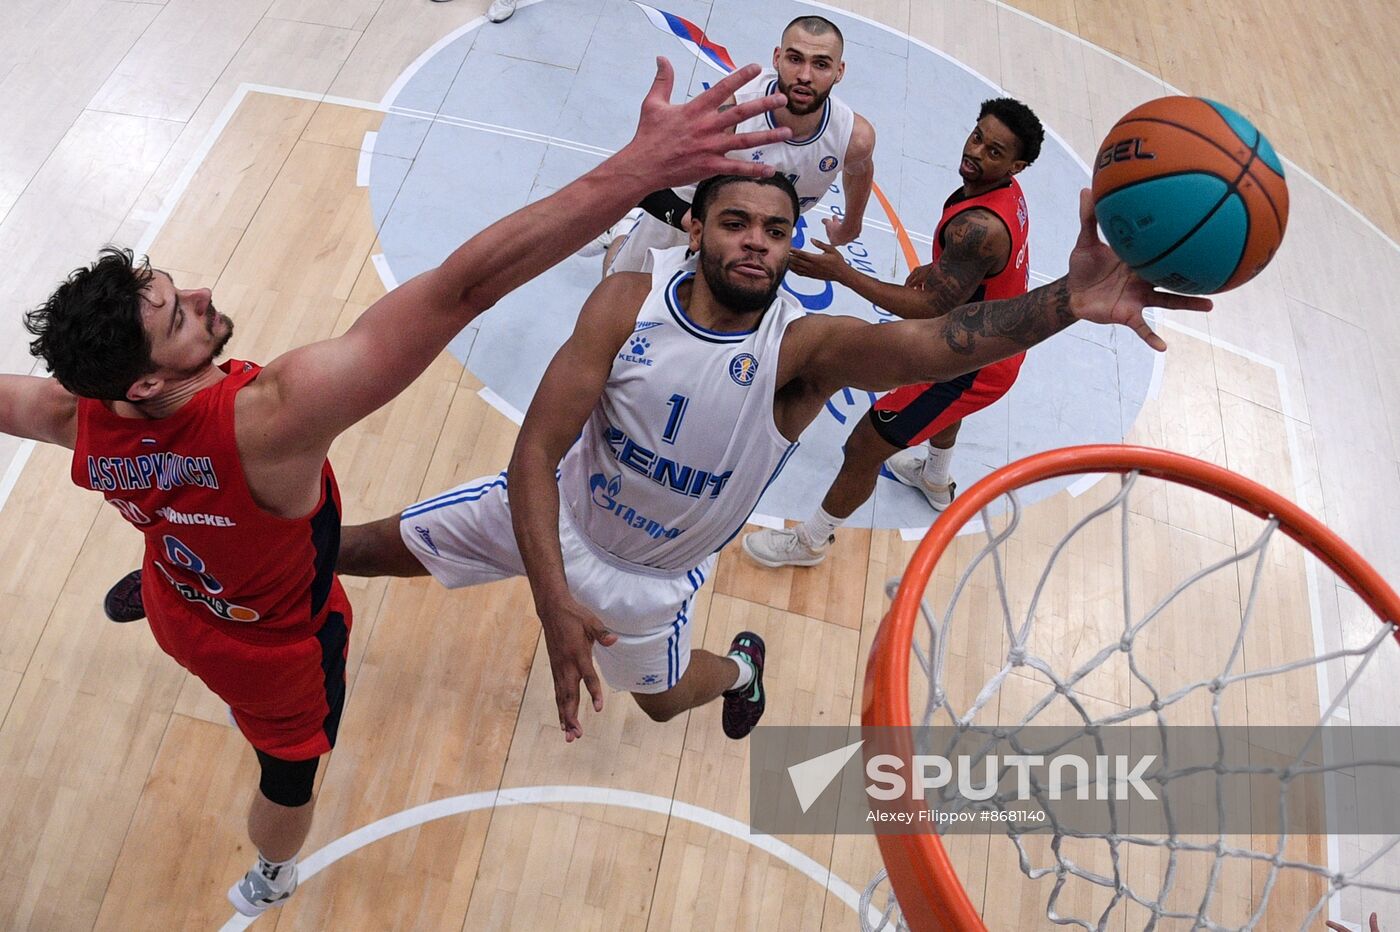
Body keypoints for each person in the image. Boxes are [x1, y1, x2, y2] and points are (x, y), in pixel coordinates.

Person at [3, 59, 790, 918]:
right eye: (179, 316)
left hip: (181, 601)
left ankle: (174, 594)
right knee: (287, 779)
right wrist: (639, 168)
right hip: (275, 651)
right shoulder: (271, 417)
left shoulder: (77, 413)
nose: (198, 293)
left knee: (284, 555)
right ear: (147, 384)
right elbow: (463, 287)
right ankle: (273, 872)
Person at [336, 172, 1210, 747]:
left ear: (793, 245)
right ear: (696, 231)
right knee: (353, 547)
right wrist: (550, 596)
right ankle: (238, 579)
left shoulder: (804, 350)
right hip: (551, 510)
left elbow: (938, 344)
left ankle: (742, 667)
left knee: (665, 700)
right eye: (736, 223)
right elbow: (533, 450)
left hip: (647, 580)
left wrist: (1067, 299)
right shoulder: (623, 304)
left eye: (777, 230)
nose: (757, 240)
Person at [744, 98, 1045, 567]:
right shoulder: (997, 192)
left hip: (974, 362)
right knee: (941, 405)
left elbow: (929, 305)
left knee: (864, 446)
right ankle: (934, 477)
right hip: (984, 342)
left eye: (994, 151)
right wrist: (943, 267)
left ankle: (811, 543)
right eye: (977, 136)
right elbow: (978, 271)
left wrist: (842, 273)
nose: (976, 151)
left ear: (1017, 166)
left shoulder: (980, 228)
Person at [596, 14, 876, 274]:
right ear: (777, 58)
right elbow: (645, 184)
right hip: (691, 213)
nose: (805, 75)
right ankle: (623, 231)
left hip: (757, 238)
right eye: (794, 59)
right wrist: (690, 222)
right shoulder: (730, 111)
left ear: (839, 71)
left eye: (821, 64)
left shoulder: (854, 137)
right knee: (619, 286)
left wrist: (850, 225)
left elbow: (859, 170)